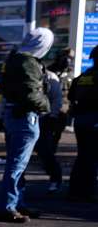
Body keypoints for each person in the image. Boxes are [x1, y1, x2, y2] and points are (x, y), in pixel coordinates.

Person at [0, 28, 53, 222]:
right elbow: (31, 93)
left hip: (14, 115)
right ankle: (8, 207)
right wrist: (46, 106)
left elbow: (6, 86)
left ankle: (17, 203)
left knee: (17, 164)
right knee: (16, 165)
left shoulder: (12, 58)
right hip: (25, 117)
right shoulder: (27, 61)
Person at [37, 50, 72, 193]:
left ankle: (55, 177)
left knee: (48, 148)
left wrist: (54, 115)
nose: (67, 60)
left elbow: (59, 97)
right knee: (44, 149)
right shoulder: (48, 71)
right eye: (65, 57)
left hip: (56, 115)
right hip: (43, 116)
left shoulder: (65, 75)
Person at [68, 46, 98, 202]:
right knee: (92, 158)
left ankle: (74, 190)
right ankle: (89, 191)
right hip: (94, 120)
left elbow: (71, 95)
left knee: (83, 156)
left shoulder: (83, 76)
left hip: (80, 121)